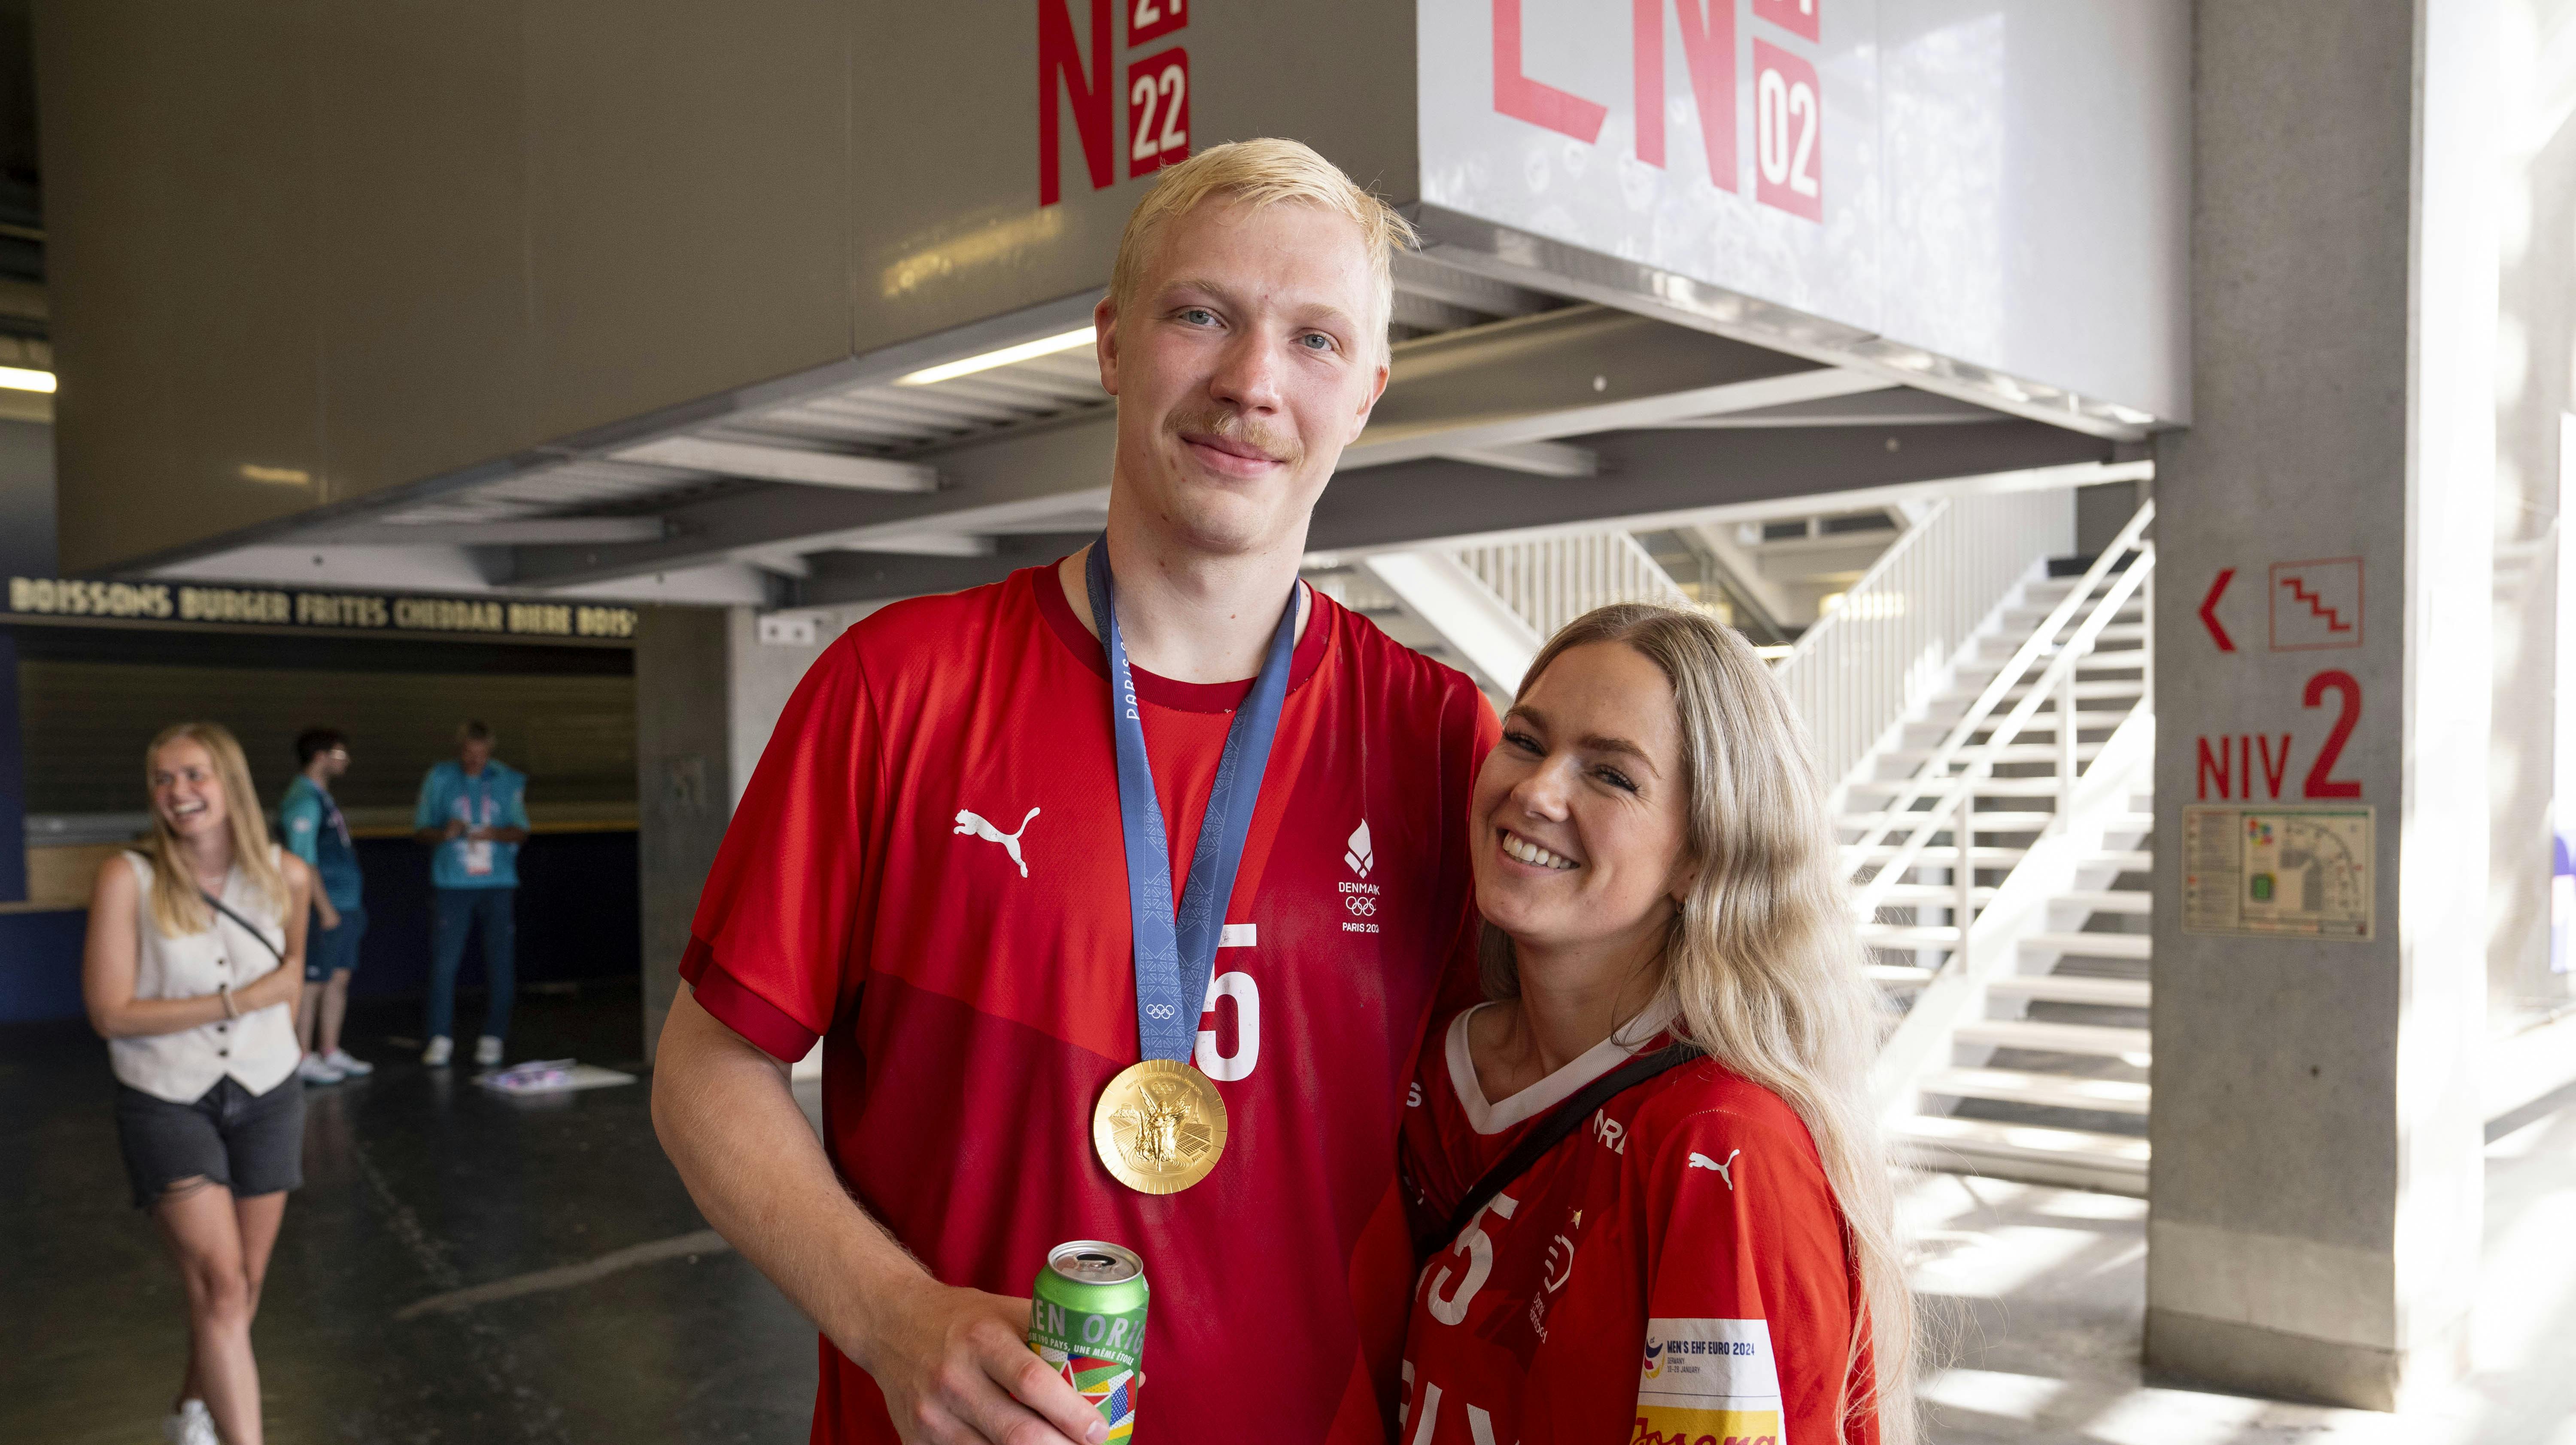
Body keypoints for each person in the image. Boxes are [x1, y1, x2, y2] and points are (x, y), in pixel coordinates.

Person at [652, 138, 1498, 1445]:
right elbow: (709, 1063)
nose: (1250, 382)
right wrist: (889, 1313)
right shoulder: (896, 689)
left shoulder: (1442, 743)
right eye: (1200, 314)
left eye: (1315, 339)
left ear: (1368, 391)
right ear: (1113, 344)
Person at [1395, 605, 1916, 1445]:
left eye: (1611, 774)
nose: (1535, 789)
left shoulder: (1721, 1143)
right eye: (1526, 739)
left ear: (1701, 854)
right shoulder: (1433, 1068)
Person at [84, 722, 316, 1445]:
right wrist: (238, 1002)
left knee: (239, 1288)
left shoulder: (289, 875)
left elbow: (293, 987)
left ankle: (191, 1410)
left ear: (230, 784)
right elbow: (110, 1013)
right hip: (166, 1098)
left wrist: (289, 1059)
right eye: (164, 779)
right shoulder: (131, 876)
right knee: (219, 1284)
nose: (178, 792)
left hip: (268, 1093)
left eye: (194, 775)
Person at [410, 721, 529, 1068]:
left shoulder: (508, 779)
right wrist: (444, 833)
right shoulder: (440, 777)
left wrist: (496, 833)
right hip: (452, 884)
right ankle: (439, 1037)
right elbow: (420, 830)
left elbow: (522, 831)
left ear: (490, 751)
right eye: (468, 753)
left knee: (501, 962)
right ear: (459, 749)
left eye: (481, 754)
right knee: (444, 963)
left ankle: (494, 1037)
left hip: (498, 883)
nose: (475, 760)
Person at [281, 727, 370, 1084]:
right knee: (313, 981)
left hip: (347, 904)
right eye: (339, 753)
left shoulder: (322, 797)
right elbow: (303, 860)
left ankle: (329, 1050)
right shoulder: (303, 799)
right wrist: (324, 908)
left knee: (338, 978)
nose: (345, 760)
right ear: (320, 757)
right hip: (325, 908)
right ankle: (302, 1055)